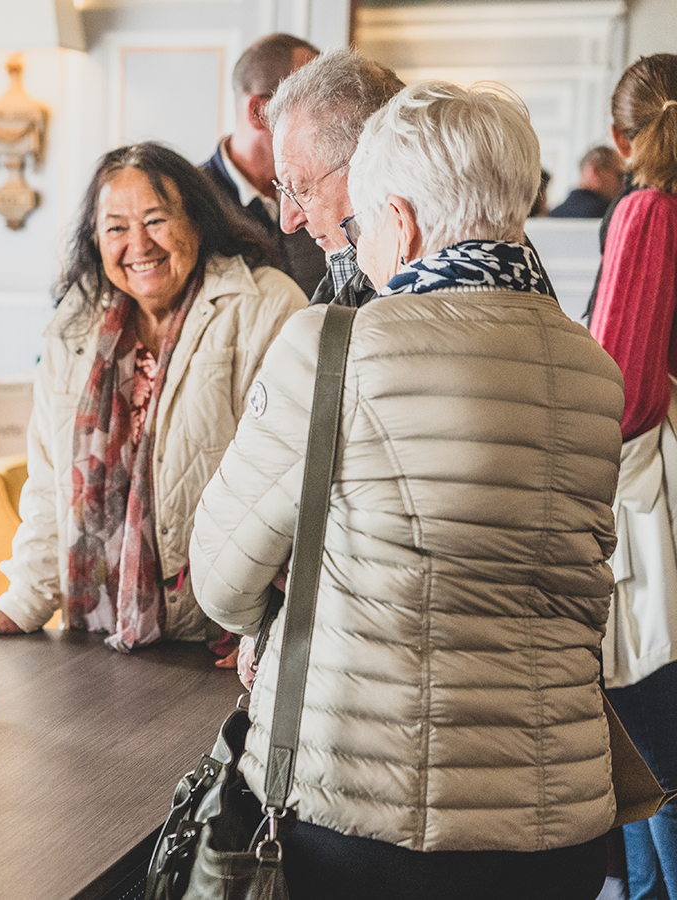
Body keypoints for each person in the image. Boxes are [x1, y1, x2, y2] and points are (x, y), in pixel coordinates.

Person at [191, 81, 624, 899]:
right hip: (555, 826)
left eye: (364, 222)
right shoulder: (592, 370)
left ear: (402, 221)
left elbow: (219, 578)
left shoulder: (333, 348)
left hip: (362, 823)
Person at [0, 141, 306, 655]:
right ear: (95, 238)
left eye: (156, 220)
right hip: (99, 631)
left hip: (222, 635)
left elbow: (290, 484)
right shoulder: (75, 322)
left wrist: (261, 626)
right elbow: (50, 486)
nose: (138, 244)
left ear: (197, 222)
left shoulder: (265, 305)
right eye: (116, 227)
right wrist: (22, 601)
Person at [588, 52, 677, 900]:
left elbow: (622, 394)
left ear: (622, 139)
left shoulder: (649, 211)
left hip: (655, 516)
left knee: (659, 757)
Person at [267, 48, 404, 309]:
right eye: (283, 190)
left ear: (366, 166)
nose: (288, 222)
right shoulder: (345, 266)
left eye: (301, 189)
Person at [202, 33, 326, 299]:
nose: (326, 117)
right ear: (259, 111)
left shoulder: (328, 185)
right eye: (312, 103)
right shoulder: (191, 200)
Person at [550, 145, 626, 218]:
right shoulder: (610, 214)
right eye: (619, 175)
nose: (623, 183)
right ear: (595, 171)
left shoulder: (552, 214)